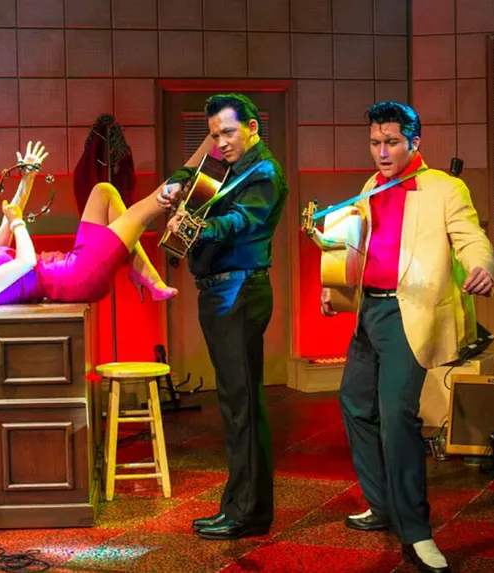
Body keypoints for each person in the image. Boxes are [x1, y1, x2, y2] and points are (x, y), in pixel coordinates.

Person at [306, 101, 494, 573]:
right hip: (369, 310)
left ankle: (417, 531)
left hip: (409, 314)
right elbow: (358, 244)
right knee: (354, 404)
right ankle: (383, 505)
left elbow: (470, 236)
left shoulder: (444, 189)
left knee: (396, 417)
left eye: (391, 142)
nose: (382, 152)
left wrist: (482, 267)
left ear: (415, 141)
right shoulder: (371, 185)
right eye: (375, 143)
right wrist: (336, 290)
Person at [157, 93, 288, 541]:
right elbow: (189, 174)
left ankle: (249, 514)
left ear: (253, 127)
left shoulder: (264, 172)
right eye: (214, 134)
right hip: (218, 291)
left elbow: (241, 222)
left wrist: (194, 227)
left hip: (240, 290)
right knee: (234, 406)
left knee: (243, 406)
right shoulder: (221, 165)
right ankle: (237, 506)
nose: (222, 141)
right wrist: (174, 186)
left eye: (229, 132)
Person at [0, 141, 184, 325]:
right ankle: (191, 177)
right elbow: (26, 261)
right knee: (151, 204)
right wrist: (19, 224)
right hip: (76, 277)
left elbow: (11, 211)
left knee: (104, 192)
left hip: (70, 267)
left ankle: (142, 271)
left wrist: (27, 176)